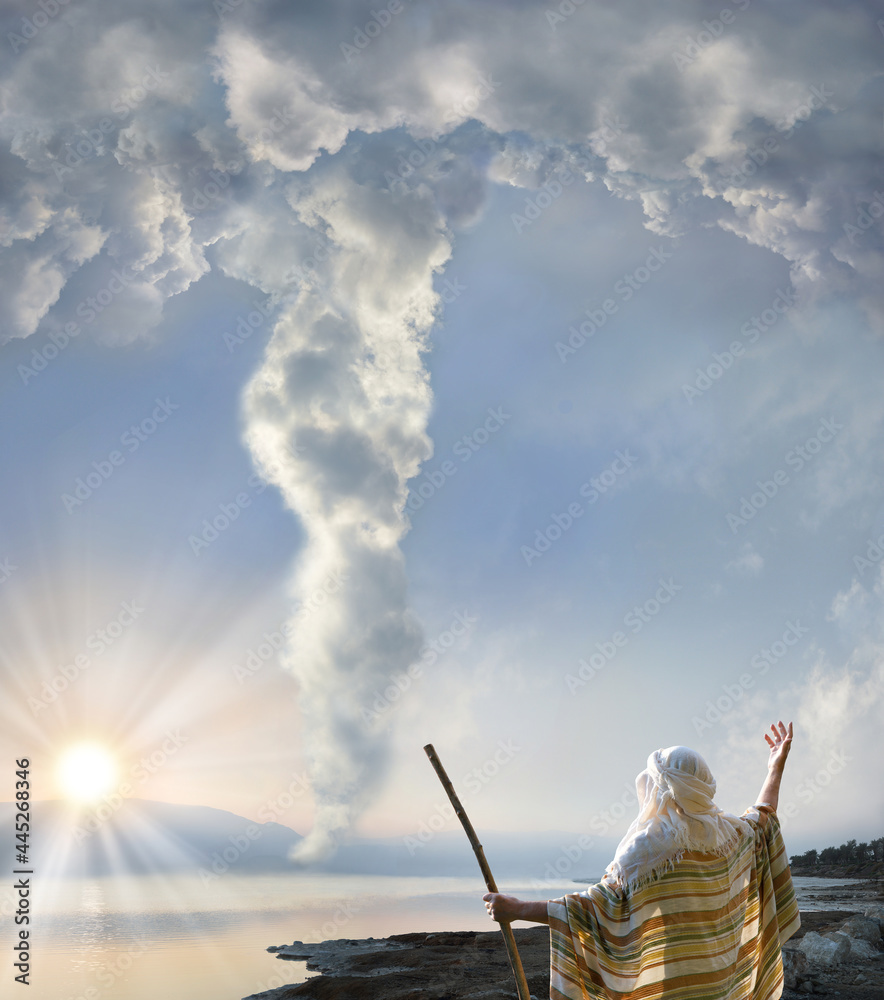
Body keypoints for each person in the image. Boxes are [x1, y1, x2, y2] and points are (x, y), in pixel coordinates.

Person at [483, 721, 799, 1000]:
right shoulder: (733, 835)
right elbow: (765, 816)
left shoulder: (648, 850)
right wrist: (775, 768)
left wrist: (518, 909)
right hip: (721, 988)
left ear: (659, 787)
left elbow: (590, 909)